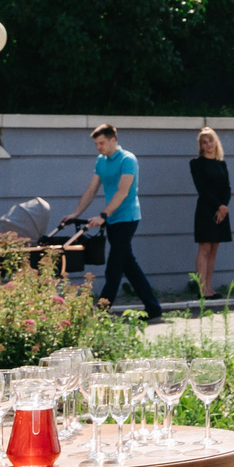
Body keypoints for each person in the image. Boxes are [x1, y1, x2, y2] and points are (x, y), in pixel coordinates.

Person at [70, 123, 162, 322]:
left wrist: (102, 215)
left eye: (101, 143)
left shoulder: (128, 160)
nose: (98, 147)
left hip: (127, 218)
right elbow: (92, 189)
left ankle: (101, 313)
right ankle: (154, 308)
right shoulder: (101, 161)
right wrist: (76, 212)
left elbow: (123, 191)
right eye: (96, 144)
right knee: (129, 265)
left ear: (113, 140)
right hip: (111, 218)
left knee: (114, 266)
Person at [189, 126, 231, 300]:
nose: (209, 145)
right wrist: (218, 206)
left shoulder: (221, 163)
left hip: (222, 210)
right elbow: (202, 189)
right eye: (204, 142)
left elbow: (227, 187)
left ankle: (209, 287)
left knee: (214, 249)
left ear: (216, 142)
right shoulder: (196, 163)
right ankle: (201, 289)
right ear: (201, 146)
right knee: (205, 248)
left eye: (211, 141)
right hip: (206, 209)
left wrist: (224, 206)